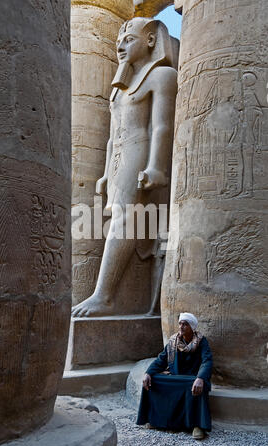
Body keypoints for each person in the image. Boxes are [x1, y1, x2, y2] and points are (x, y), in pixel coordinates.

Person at [72, 17, 177, 317]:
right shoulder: (120, 88)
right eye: (119, 41)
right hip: (119, 156)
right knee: (115, 221)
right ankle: (105, 294)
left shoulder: (162, 76)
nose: (120, 46)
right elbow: (111, 135)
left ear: (151, 41)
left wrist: (157, 166)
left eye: (129, 39)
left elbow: (161, 127)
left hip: (140, 153)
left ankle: (104, 296)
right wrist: (106, 172)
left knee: (125, 220)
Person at [136, 312, 213, 439]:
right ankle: (155, 420)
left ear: (192, 328)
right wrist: (148, 373)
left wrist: (200, 378)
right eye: (180, 324)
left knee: (199, 386)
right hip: (176, 378)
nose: (181, 327)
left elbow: (207, 361)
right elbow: (161, 360)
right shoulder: (173, 341)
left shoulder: (201, 342)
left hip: (192, 379)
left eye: (185, 324)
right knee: (152, 380)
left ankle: (198, 426)